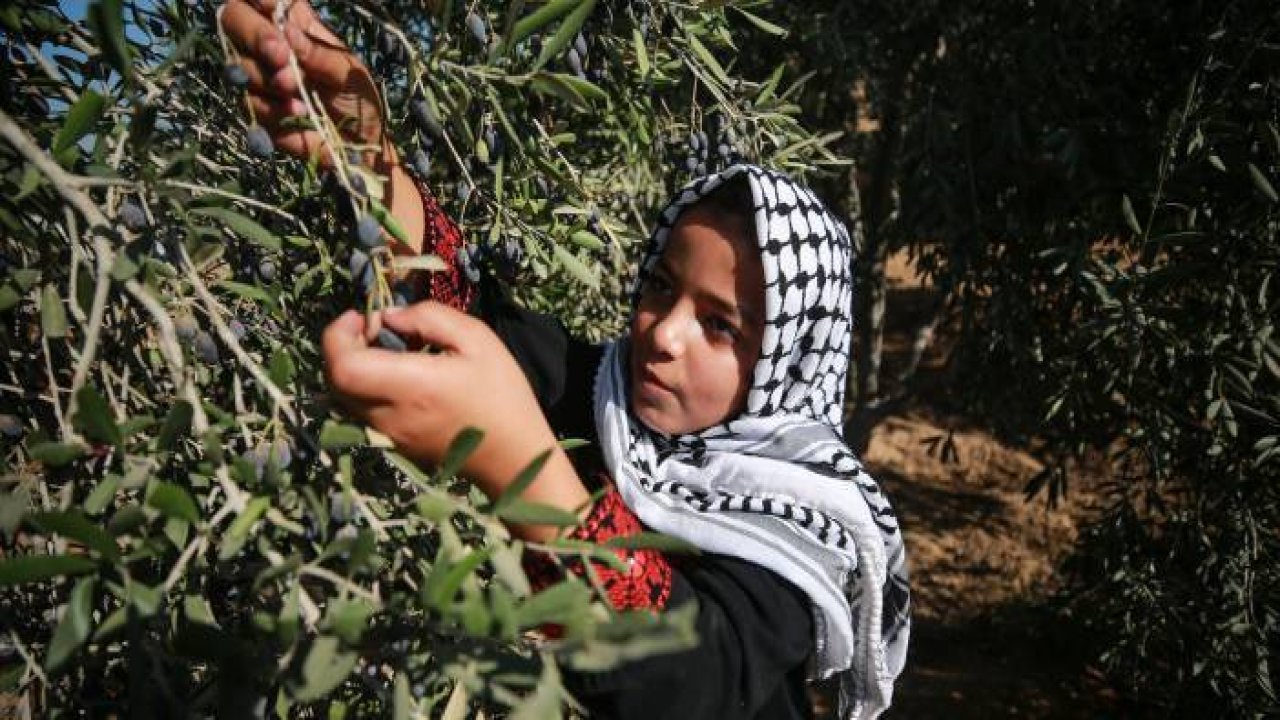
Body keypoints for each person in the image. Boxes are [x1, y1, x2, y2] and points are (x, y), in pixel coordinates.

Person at [220, 2, 911, 718]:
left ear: (784, 363)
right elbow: (464, 307)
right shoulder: (611, 398)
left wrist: (517, 463)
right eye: (661, 288)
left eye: (718, 325)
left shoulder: (805, 519)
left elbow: (695, 680)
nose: (664, 334)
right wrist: (367, 155)